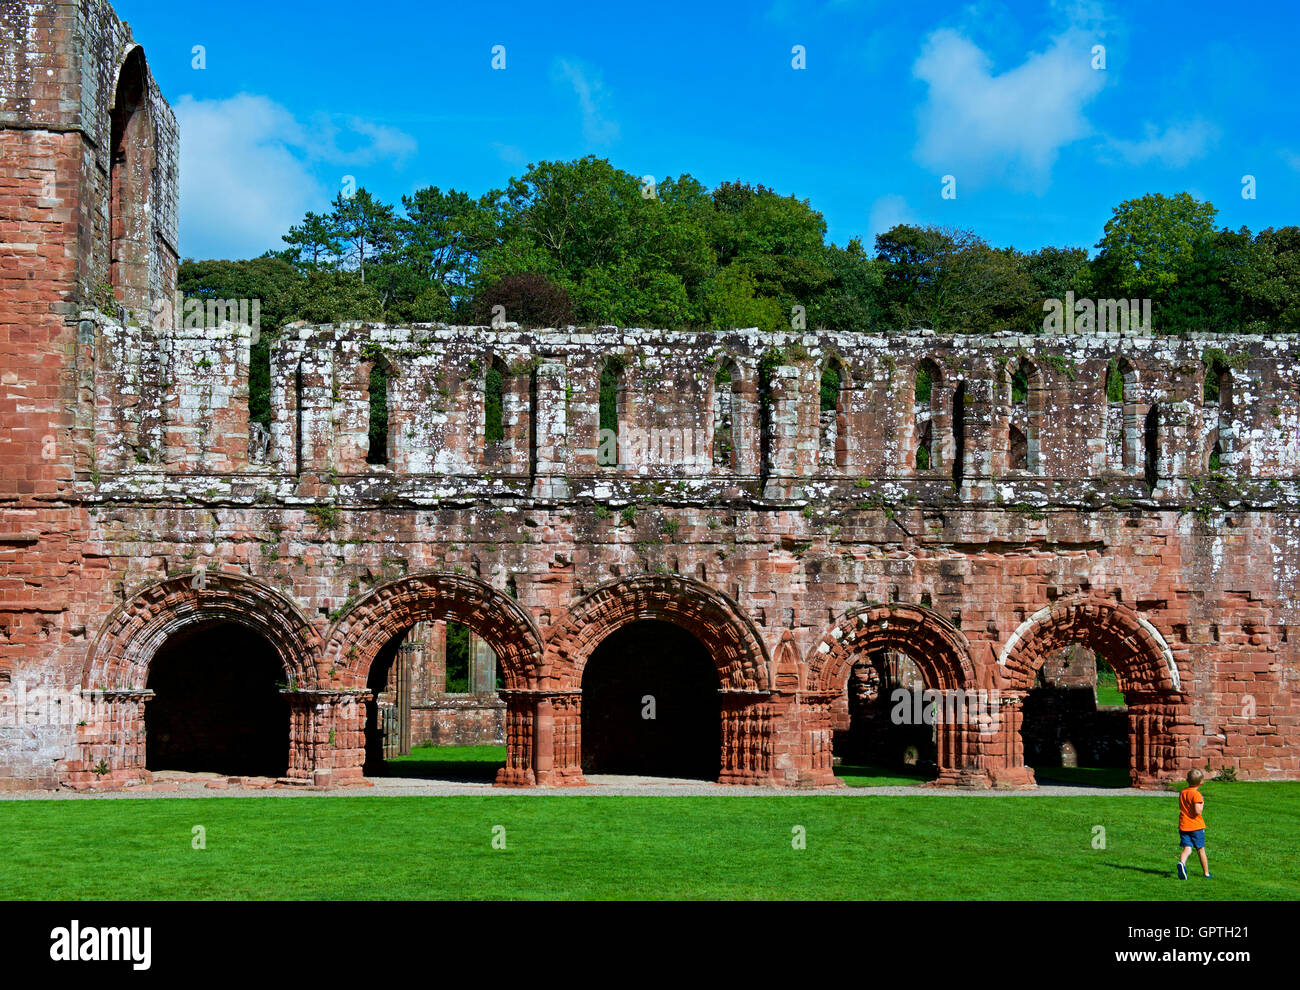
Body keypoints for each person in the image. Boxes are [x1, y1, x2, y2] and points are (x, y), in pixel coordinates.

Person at [1177, 768, 1212, 879]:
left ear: (1188, 780)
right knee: (1200, 849)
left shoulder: (1183, 792)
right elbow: (1197, 811)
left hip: (1183, 825)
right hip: (1196, 826)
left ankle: (1182, 863)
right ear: (1201, 782)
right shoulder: (1196, 795)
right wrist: (1202, 803)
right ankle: (1206, 873)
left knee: (1187, 848)